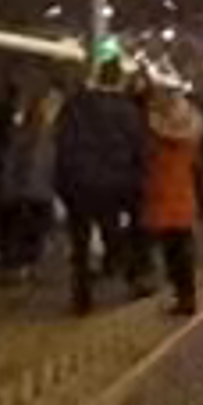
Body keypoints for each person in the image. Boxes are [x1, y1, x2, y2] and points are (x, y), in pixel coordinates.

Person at [55, 52, 145, 313]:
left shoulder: (75, 106)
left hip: (79, 183)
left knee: (80, 242)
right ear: (119, 80)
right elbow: (138, 149)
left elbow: (63, 143)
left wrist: (62, 182)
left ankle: (81, 296)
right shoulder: (127, 110)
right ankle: (130, 275)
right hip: (116, 183)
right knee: (113, 231)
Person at [142, 74, 203, 316]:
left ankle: (181, 297)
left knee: (171, 251)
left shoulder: (156, 139)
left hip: (161, 196)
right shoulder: (190, 140)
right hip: (184, 196)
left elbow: (147, 164)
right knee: (184, 249)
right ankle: (187, 296)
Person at [0, 79, 59, 282]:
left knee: (27, 231)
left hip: (29, 190)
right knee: (32, 231)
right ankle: (25, 267)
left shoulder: (24, 133)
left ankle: (22, 267)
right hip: (35, 190)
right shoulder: (45, 135)